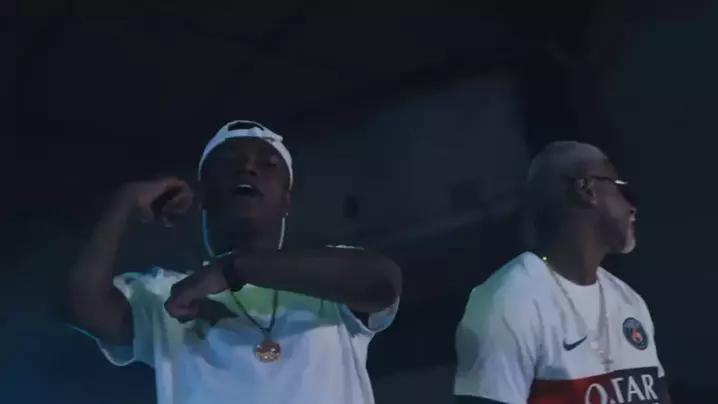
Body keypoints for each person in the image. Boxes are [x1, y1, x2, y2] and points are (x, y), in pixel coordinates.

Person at [64, 120, 402, 404]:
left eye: (268, 164)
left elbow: (383, 283)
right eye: (228, 162)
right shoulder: (164, 294)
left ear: (286, 200)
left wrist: (232, 270)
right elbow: (79, 302)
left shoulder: (324, 277)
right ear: (205, 195)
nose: (248, 168)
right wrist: (124, 201)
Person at [453, 141, 671, 404]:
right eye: (620, 189)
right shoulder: (507, 302)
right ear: (586, 189)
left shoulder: (629, 301)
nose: (631, 207)